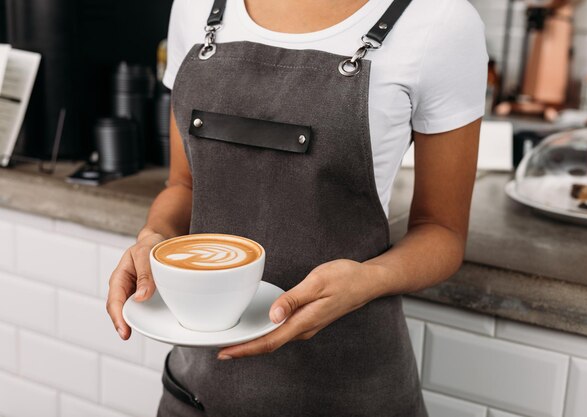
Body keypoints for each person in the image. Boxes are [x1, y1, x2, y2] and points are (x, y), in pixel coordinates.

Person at [106, 0, 487, 415]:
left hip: (350, 390)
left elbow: (442, 231)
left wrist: (369, 279)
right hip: (197, 391)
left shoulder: (440, 21)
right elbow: (184, 185)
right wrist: (154, 238)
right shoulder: (196, 6)